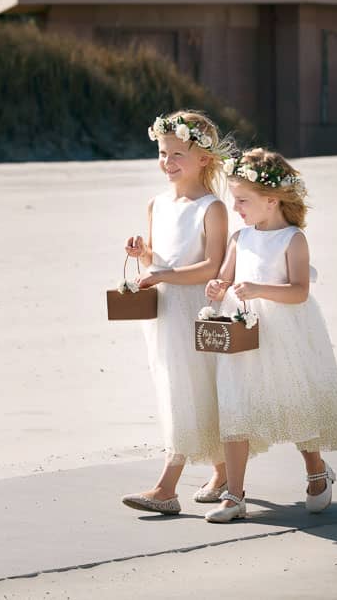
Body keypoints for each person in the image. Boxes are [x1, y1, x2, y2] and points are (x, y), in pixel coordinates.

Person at [202, 148, 337, 523]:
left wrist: (259, 289)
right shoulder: (240, 238)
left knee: (296, 402)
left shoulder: (293, 239)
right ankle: (234, 494)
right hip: (244, 333)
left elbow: (298, 291)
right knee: (235, 404)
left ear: (272, 200)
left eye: (243, 200)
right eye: (234, 200)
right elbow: (225, 278)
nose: (237, 208)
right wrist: (216, 287)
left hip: (285, 333)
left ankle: (316, 471)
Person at [119, 110, 232, 516]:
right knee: (182, 388)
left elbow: (212, 267)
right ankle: (221, 472)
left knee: (187, 389)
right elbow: (156, 255)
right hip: (163, 311)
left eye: (177, 154)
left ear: (203, 158)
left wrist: (164, 271)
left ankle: (166, 487)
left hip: (195, 310)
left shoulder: (212, 208)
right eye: (163, 153)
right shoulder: (157, 204)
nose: (168, 162)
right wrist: (142, 254)